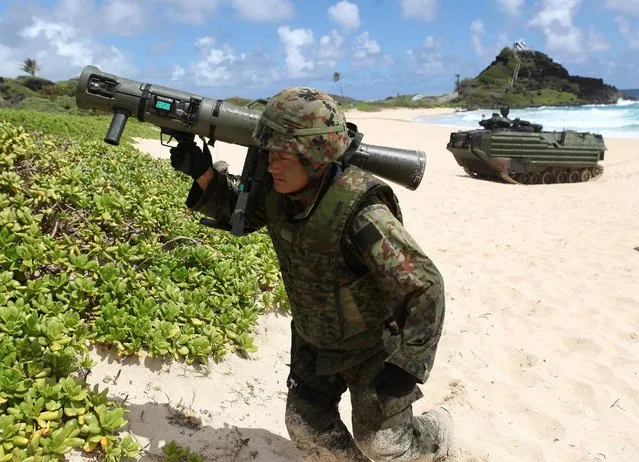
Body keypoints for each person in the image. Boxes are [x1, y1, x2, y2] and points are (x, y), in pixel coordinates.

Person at [169, 87, 454, 461]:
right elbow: (240, 215)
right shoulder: (277, 193)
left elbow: (424, 286)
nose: (271, 165)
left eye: (283, 156)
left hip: (371, 348)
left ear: (315, 157)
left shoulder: (361, 212)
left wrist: (408, 366)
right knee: (305, 426)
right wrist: (204, 173)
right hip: (313, 340)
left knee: (384, 444)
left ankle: (439, 433)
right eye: (268, 154)